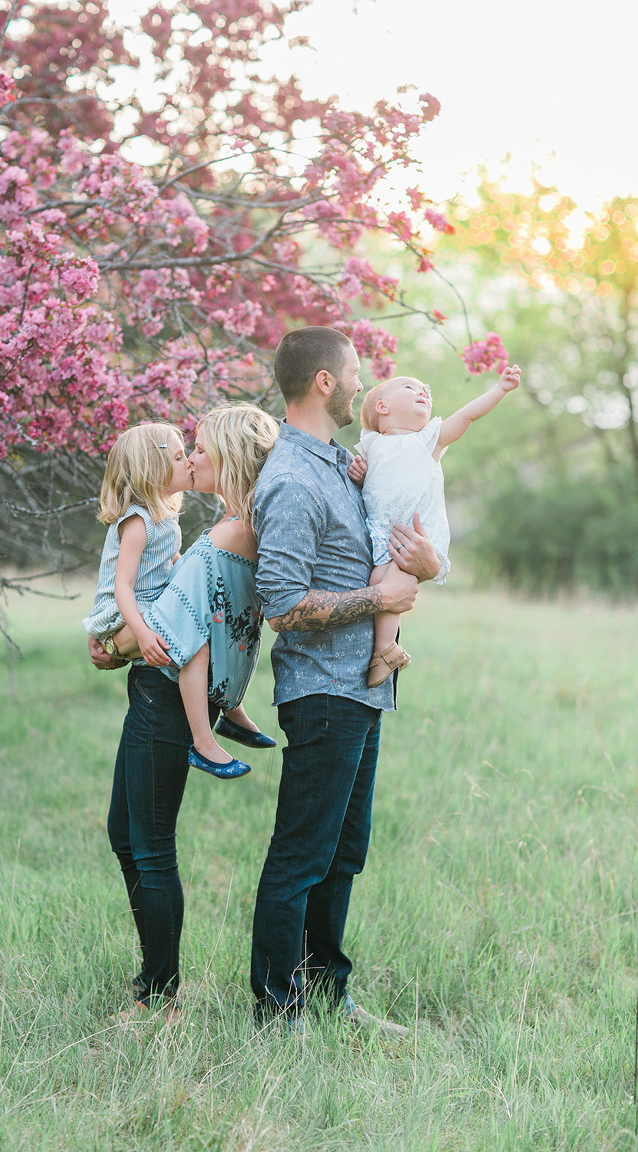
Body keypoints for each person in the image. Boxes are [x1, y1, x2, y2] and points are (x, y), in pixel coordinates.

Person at [250, 326, 441, 1034]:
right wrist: (379, 602)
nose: (363, 384)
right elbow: (283, 606)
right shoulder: (294, 478)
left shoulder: (338, 465)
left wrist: (418, 561)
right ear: (324, 382)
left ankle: (330, 993)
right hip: (322, 691)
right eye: (356, 371)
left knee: (343, 853)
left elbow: (388, 540)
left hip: (361, 692)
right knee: (301, 854)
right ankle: (276, 1009)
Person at [88, 403, 279, 1015]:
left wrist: (110, 648)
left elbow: (171, 626)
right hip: (162, 692)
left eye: (198, 448)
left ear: (226, 459)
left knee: (148, 844)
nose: (191, 458)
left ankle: (160, 992)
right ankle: (156, 977)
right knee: (127, 833)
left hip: (161, 695)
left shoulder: (220, 537)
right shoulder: (242, 525)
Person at [82, 420, 270, 779]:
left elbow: (175, 568)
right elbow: (125, 586)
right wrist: (132, 635)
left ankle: (230, 715)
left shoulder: (172, 519)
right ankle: (205, 739)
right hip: (127, 612)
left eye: (196, 452)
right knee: (195, 643)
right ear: (153, 471)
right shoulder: (139, 521)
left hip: (151, 632)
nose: (190, 462)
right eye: (183, 454)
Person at [354, 365, 521, 686]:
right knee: (377, 579)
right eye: (410, 388)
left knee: (391, 584)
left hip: (416, 536)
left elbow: (467, 416)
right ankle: (385, 648)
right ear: (382, 407)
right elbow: (376, 484)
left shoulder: (429, 439)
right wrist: (362, 478)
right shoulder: (371, 444)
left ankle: (384, 650)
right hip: (382, 532)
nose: (422, 393)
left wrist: (499, 389)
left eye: (426, 392)